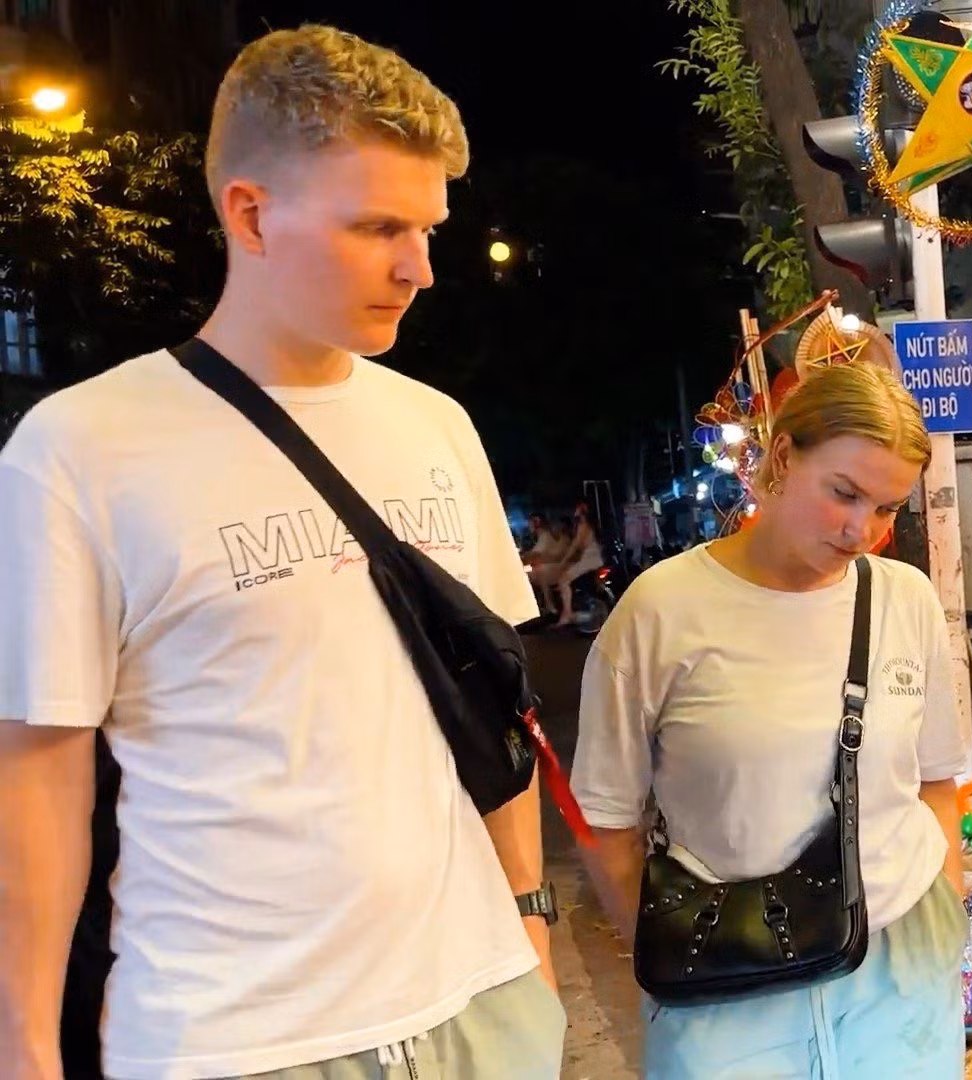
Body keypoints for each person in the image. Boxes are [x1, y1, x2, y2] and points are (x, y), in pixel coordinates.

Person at [0, 25, 564, 1080]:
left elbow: (494, 704)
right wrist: (25, 1045)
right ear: (249, 213)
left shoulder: (437, 424)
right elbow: (37, 775)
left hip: (481, 1007)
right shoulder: (80, 450)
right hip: (240, 1042)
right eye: (377, 227)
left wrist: (529, 921)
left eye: (429, 228)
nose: (419, 268)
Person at [573, 362, 970, 1079]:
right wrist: (664, 947)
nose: (862, 530)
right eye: (844, 493)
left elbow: (938, 780)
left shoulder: (905, 599)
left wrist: (944, 903)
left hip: (904, 966)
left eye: (887, 508)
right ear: (784, 457)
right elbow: (604, 820)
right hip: (726, 975)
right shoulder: (661, 610)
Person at [542, 501, 604, 627]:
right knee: (564, 576)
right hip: (591, 558)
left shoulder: (583, 526)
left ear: (582, 512)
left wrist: (562, 562)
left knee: (563, 580)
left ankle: (567, 614)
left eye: (577, 509)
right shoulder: (588, 526)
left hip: (590, 559)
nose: (575, 511)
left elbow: (574, 546)